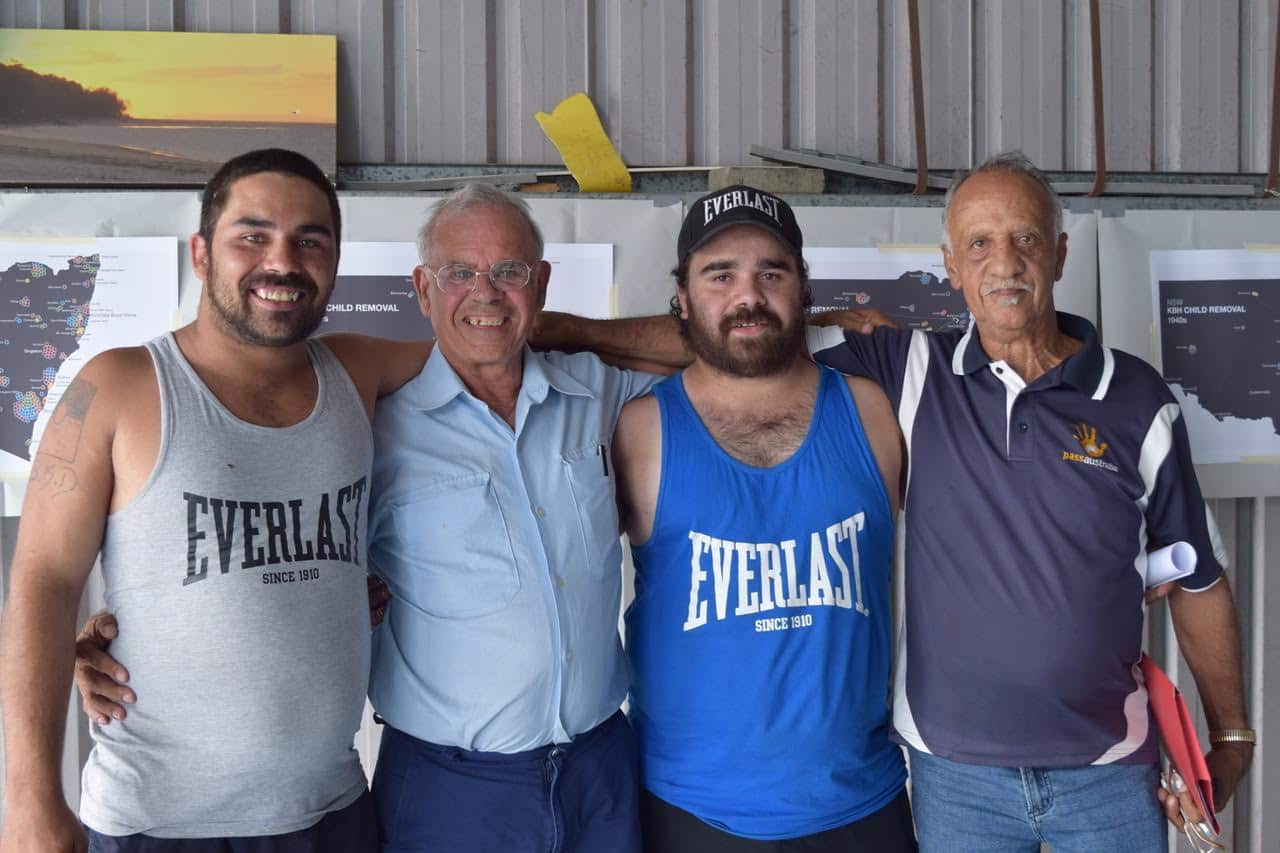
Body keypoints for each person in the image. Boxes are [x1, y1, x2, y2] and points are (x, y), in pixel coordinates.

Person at [534, 154, 1255, 851]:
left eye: (1025, 239)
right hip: (955, 776)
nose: (1003, 264)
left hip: (1109, 765)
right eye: (979, 243)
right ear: (951, 264)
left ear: (1060, 253)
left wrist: (1231, 736)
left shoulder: (1137, 398)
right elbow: (734, 334)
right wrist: (568, 330)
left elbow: (1194, 578)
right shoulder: (911, 370)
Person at [0, 148, 425, 853]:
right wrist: (29, 800)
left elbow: (493, 344)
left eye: (309, 240)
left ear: (334, 260)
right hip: (159, 826)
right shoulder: (118, 386)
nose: (282, 261)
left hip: (331, 813)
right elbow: (42, 581)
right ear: (202, 252)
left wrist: (656, 331)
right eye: (252, 235)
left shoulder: (360, 369)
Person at [331, 185, 663, 852]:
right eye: (459, 272)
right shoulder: (368, 425)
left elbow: (710, 348)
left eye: (509, 272)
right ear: (423, 289)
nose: (484, 292)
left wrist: (575, 329)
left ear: (539, 285)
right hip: (450, 788)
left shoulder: (594, 389)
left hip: (602, 771)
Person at [613, 186, 915, 851]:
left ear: (804, 289)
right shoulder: (637, 428)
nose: (748, 295)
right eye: (720, 275)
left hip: (860, 803)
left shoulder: (875, 410)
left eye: (771, 273)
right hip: (688, 810)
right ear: (684, 298)